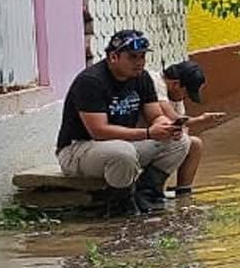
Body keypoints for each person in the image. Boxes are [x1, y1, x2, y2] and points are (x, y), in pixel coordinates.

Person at [56, 29, 192, 215]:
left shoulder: (141, 78)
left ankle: (146, 195)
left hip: (123, 145)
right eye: (133, 57)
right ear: (113, 57)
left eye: (142, 57)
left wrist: (166, 127)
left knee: (181, 142)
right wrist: (147, 133)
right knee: (123, 153)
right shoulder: (90, 81)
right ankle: (120, 206)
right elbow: (99, 131)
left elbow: (155, 115)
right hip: (78, 150)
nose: (140, 62)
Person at [159, 60, 226, 195]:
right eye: (186, 93)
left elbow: (182, 124)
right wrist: (200, 120)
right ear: (176, 84)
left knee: (195, 144)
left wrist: (180, 132)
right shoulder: (156, 83)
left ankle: (183, 191)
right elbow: (173, 117)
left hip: (161, 136)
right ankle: (153, 190)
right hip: (142, 135)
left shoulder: (177, 99)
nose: (185, 98)